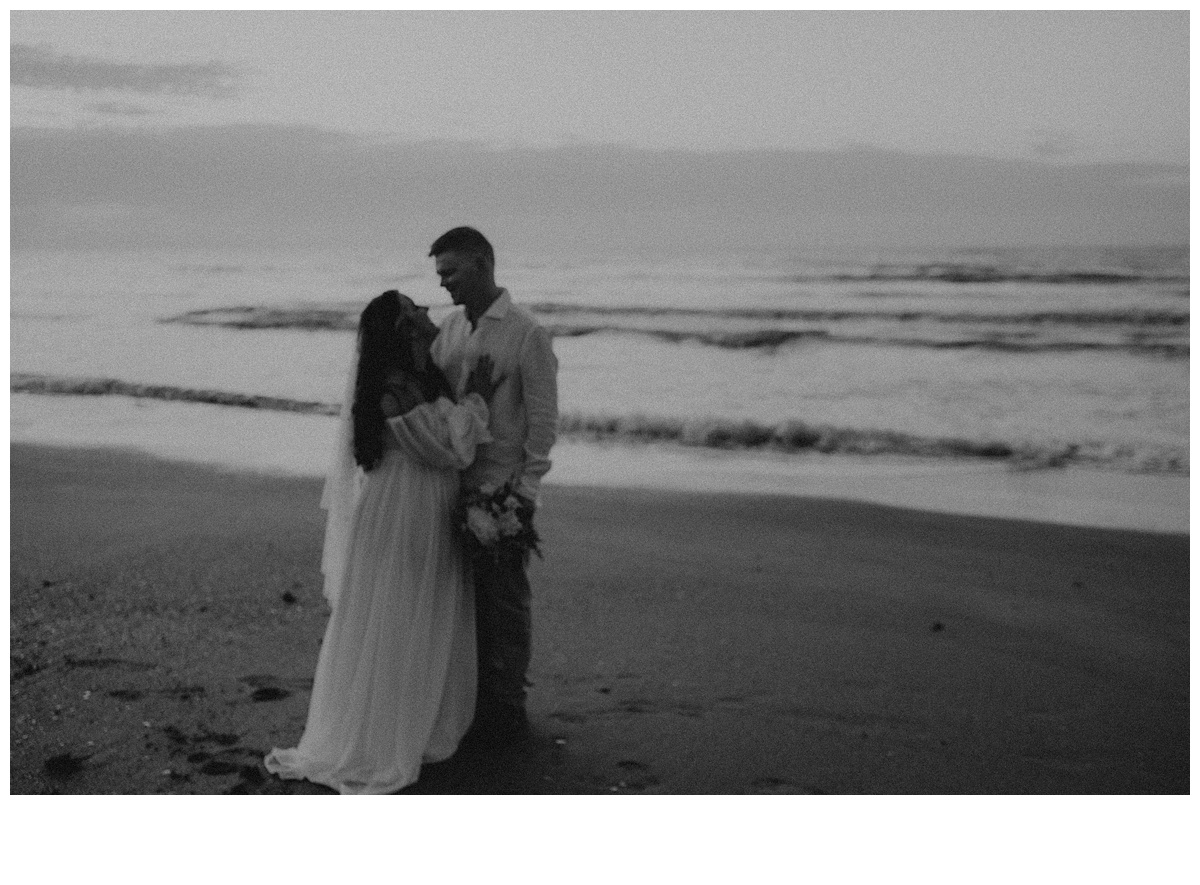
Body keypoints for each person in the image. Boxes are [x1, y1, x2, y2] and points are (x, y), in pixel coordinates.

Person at [265, 290, 501, 794]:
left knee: (417, 607)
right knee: (397, 611)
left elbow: (443, 440)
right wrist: (477, 401)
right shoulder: (394, 387)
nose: (425, 311)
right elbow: (446, 450)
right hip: (406, 505)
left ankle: (410, 719)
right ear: (401, 330)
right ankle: (383, 733)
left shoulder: (418, 376)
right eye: (413, 309)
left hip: (420, 501)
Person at [428, 227, 559, 746]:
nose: (444, 285)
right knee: (461, 600)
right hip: (451, 485)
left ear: (483, 263)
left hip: (502, 489)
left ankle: (507, 705)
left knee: (505, 599)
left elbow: (543, 421)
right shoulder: (450, 329)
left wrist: (524, 491)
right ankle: (471, 701)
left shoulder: (527, 333)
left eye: (452, 272)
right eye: (440, 275)